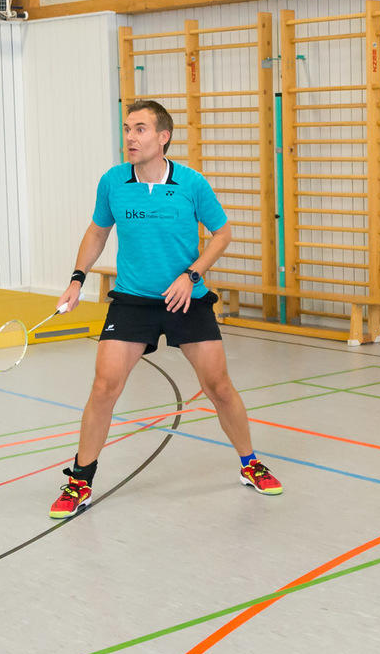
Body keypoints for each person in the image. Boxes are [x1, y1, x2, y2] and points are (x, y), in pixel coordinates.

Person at [48, 99, 282, 519]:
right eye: (127, 129)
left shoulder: (191, 183)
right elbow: (97, 232)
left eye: (140, 129)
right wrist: (77, 278)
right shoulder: (113, 182)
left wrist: (191, 276)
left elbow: (223, 233)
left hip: (186, 299)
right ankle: (80, 480)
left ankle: (250, 463)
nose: (130, 137)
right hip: (133, 300)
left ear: (163, 137)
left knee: (219, 387)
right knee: (104, 387)